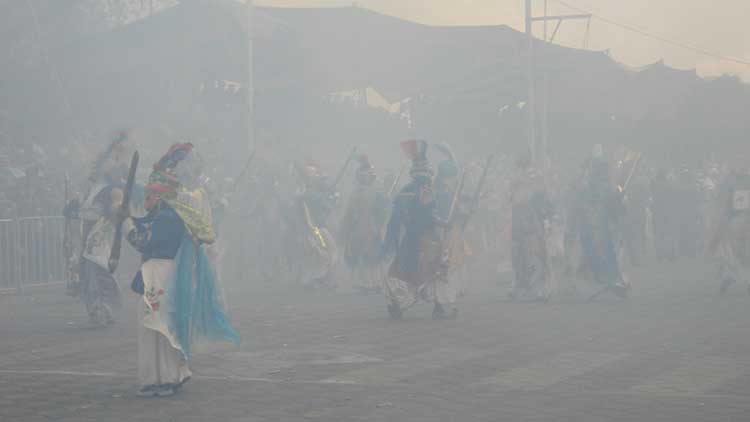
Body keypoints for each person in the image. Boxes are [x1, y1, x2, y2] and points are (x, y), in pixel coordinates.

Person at [126, 143, 239, 397]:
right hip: (161, 275)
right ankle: (165, 375)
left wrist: (126, 227)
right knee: (158, 327)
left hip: (159, 274)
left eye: (151, 194)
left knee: (159, 328)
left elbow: (145, 242)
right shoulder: (166, 214)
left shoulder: (168, 216)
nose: (147, 200)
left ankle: (164, 376)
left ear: (161, 194)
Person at [382, 140, 456, 319]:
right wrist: (444, 223)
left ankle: (397, 304)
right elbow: (428, 216)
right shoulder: (426, 191)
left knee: (403, 271)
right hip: (426, 238)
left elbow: (397, 219)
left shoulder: (405, 191)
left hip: (409, 238)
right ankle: (438, 307)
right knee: (436, 271)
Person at [574, 145, 630, 299]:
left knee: (596, 258)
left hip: (593, 230)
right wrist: (619, 198)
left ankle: (602, 284)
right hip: (600, 231)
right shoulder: (602, 187)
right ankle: (608, 283)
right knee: (605, 257)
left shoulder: (588, 187)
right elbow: (616, 207)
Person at [508, 157, 555, 302]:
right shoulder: (518, 181)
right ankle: (522, 288)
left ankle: (538, 290)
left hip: (532, 226)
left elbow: (541, 200)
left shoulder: (532, 180)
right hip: (522, 227)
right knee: (520, 258)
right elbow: (512, 200)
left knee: (535, 256)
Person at [340, 154, 388, 294]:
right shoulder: (355, 194)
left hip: (370, 227)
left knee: (372, 256)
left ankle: (373, 282)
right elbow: (349, 214)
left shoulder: (375, 193)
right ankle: (364, 283)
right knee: (361, 255)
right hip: (359, 229)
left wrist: (377, 223)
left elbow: (381, 212)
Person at [708, 169, 750, 295]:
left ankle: (730, 275)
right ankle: (733, 276)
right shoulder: (737, 191)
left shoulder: (731, 191)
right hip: (740, 222)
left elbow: (726, 211)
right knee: (740, 252)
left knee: (735, 252)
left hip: (735, 222)